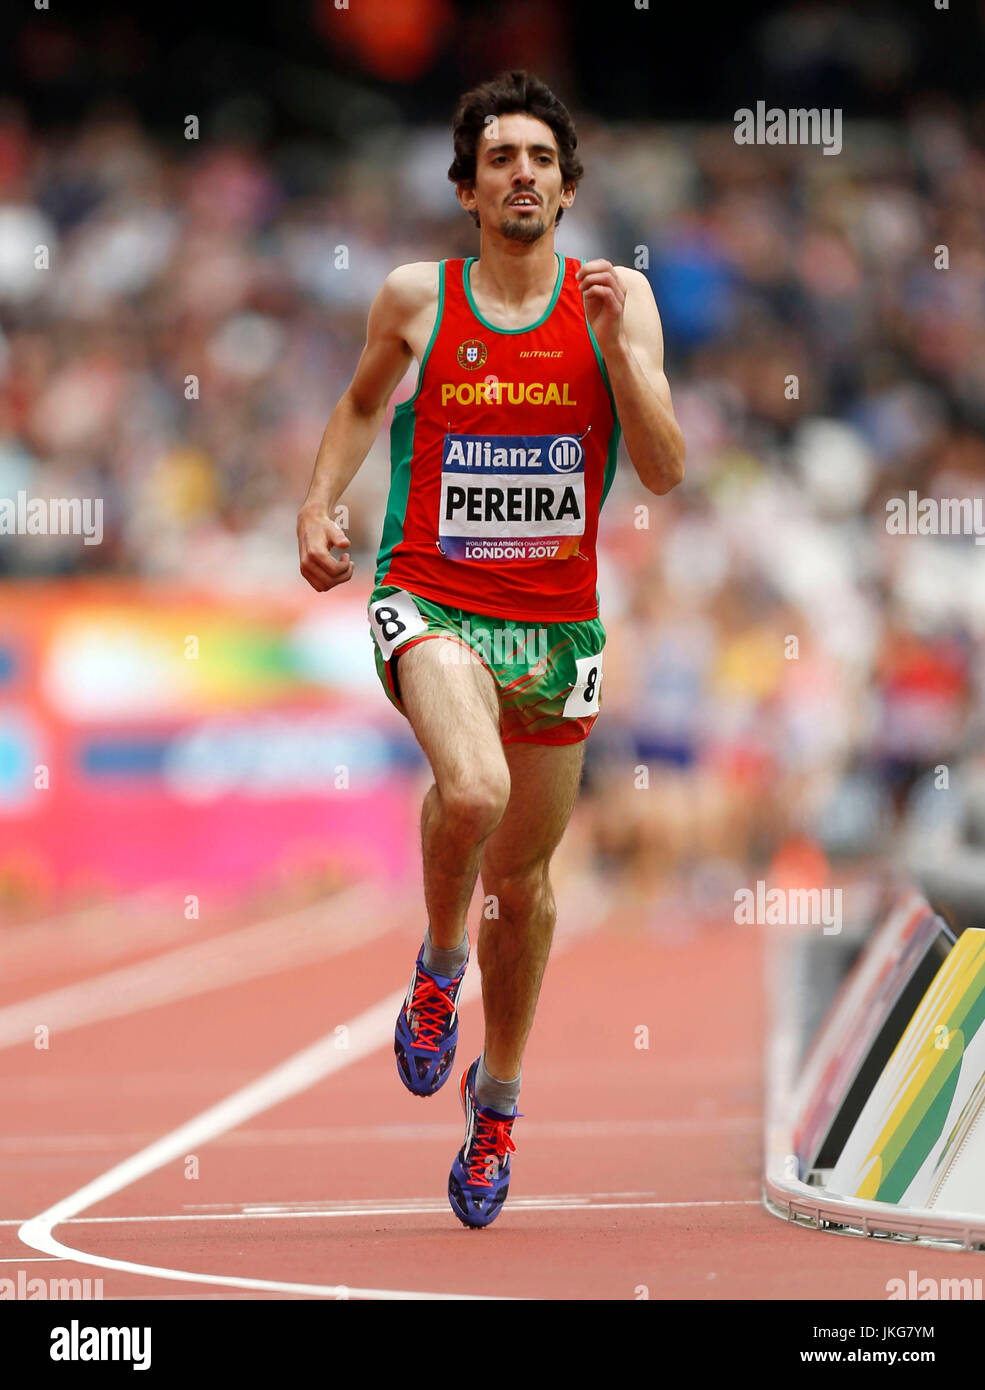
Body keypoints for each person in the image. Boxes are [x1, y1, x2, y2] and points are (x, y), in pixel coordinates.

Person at [297, 70, 685, 1228]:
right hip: (430, 594)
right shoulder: (418, 299)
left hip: (556, 625)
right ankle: (434, 967)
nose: (522, 172)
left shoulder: (622, 299)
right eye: (500, 158)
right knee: (470, 785)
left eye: (541, 158)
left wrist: (619, 356)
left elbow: (663, 468)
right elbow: (365, 403)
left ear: (568, 189)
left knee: (526, 883)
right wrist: (318, 504)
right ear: (467, 190)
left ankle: (499, 1095)